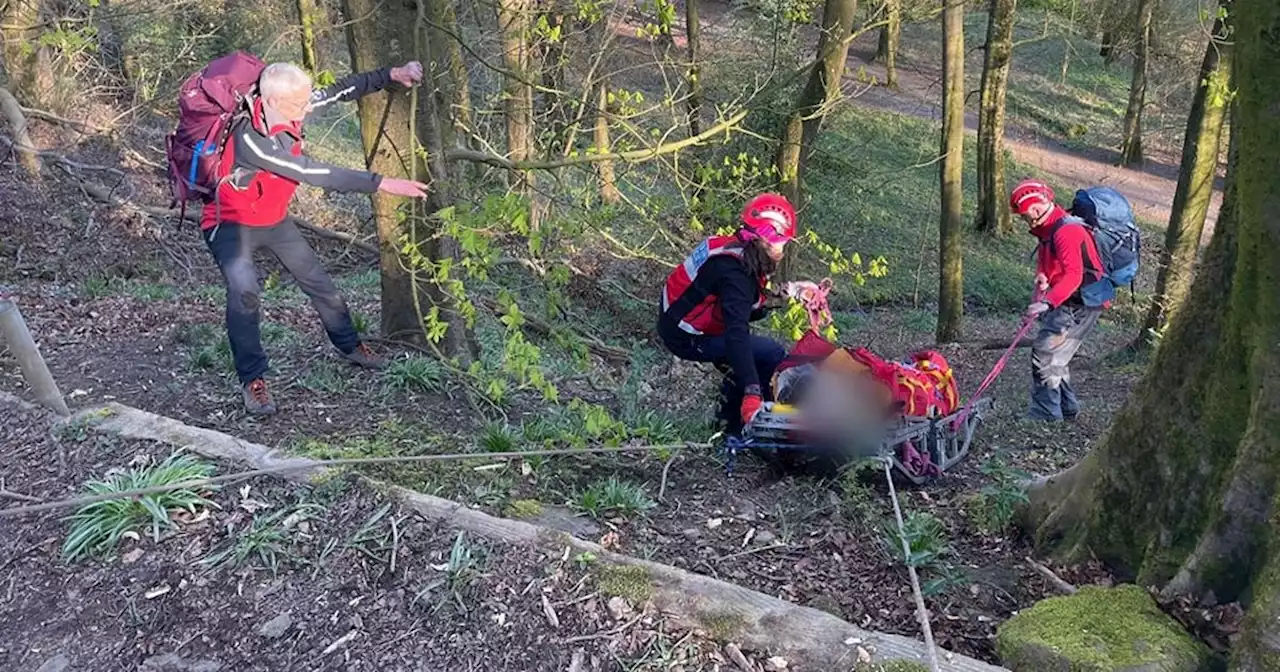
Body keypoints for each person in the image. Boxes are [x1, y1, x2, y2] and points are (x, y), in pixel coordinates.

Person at [202, 61, 433, 415]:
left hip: (273, 219)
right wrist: (380, 182)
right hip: (230, 223)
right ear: (275, 101)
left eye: (307, 100)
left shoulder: (292, 103)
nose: (307, 108)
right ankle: (253, 380)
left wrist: (390, 75)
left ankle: (351, 346)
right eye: (300, 104)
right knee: (245, 292)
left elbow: (343, 89)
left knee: (320, 283)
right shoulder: (251, 140)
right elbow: (309, 171)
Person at [657, 193, 819, 437]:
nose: (782, 250)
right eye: (780, 243)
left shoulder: (735, 249)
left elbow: (740, 303)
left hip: (679, 321)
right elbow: (736, 332)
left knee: (749, 359)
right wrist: (753, 391)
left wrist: (788, 294)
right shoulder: (735, 275)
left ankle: (728, 422)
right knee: (768, 354)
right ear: (763, 238)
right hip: (685, 336)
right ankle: (739, 428)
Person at [1009, 179, 1110, 422]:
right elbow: (1050, 264)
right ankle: (1067, 407)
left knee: (1045, 352)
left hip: (1082, 303)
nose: (1023, 219)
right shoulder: (1049, 229)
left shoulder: (1067, 230)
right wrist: (1044, 279)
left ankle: (1045, 414)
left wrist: (1048, 303)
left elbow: (1074, 275)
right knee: (1056, 356)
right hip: (1072, 300)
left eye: (1023, 214)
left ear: (1034, 208)